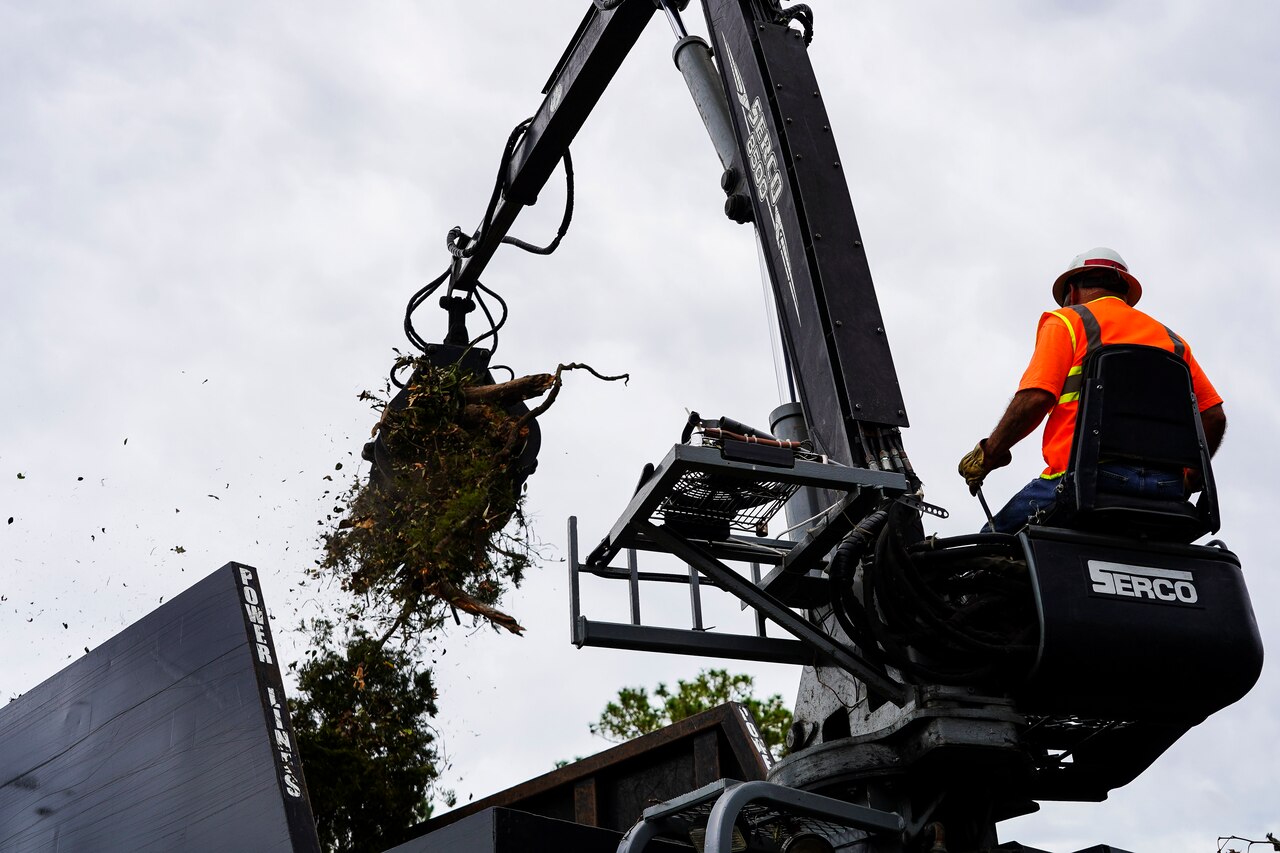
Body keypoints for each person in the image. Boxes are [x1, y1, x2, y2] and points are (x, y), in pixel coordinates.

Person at [957, 247, 1226, 534]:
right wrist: (1190, 479)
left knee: (989, 544)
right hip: (1165, 491)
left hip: (1087, 482)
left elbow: (1036, 397)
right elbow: (1214, 416)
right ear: (1125, 294)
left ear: (1071, 292)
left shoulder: (1068, 321)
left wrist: (989, 453)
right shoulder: (1173, 342)